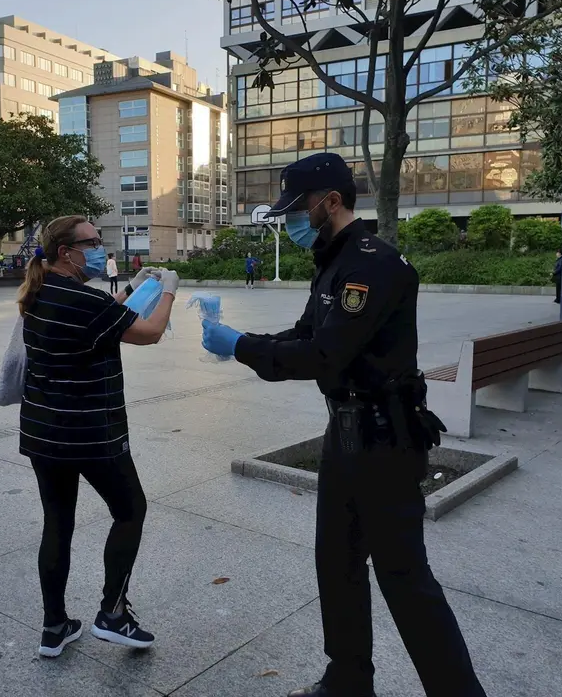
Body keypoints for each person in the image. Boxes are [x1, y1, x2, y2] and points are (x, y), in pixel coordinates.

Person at [200, 154, 487, 697]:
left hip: (385, 438)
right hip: (347, 433)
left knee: (405, 578)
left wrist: (242, 347)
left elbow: (327, 354)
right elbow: (306, 332)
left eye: (297, 209)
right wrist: (242, 341)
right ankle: (348, 680)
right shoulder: (334, 262)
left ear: (330, 202)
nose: (292, 221)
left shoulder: (373, 265)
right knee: (337, 563)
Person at [16, 215, 180, 659]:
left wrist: (134, 286)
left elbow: (103, 314)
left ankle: (55, 626)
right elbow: (147, 333)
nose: (98, 248)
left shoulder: (41, 290)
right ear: (66, 252)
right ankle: (113, 613)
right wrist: (167, 290)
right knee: (130, 510)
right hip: (89, 431)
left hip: (43, 431)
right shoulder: (81, 300)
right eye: (90, 242)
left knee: (58, 521)